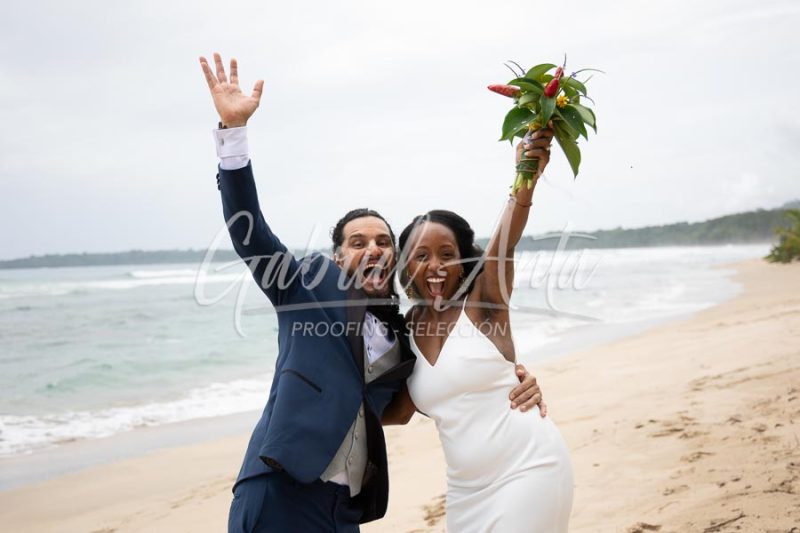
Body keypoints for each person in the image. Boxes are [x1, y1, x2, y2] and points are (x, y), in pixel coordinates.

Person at [199, 53, 546, 532]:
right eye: (358, 243)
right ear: (338, 258)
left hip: (346, 508)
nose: (374, 249)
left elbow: (428, 394)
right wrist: (232, 135)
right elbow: (250, 232)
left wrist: (513, 383)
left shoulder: (404, 338)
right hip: (280, 490)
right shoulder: (303, 288)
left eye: (385, 241)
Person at [385, 128, 574, 531]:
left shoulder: (486, 304)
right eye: (421, 256)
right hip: (465, 492)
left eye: (447, 254)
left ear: (465, 260)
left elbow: (506, 237)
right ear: (406, 265)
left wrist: (526, 177)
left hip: (530, 468)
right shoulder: (406, 332)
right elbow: (395, 410)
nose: (434, 266)